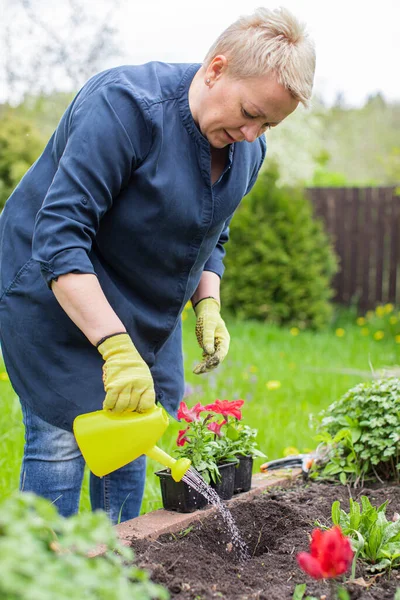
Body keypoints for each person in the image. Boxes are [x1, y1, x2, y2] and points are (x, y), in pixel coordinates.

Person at [0, 7, 315, 523]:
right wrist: (113, 346)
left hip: (142, 302)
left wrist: (207, 303)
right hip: (55, 291)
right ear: (216, 69)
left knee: (131, 443)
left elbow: (212, 232)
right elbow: (59, 237)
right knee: (61, 442)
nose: (254, 132)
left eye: (268, 123)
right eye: (250, 111)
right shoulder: (125, 109)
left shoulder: (246, 150)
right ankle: (42, 572)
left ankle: (118, 566)